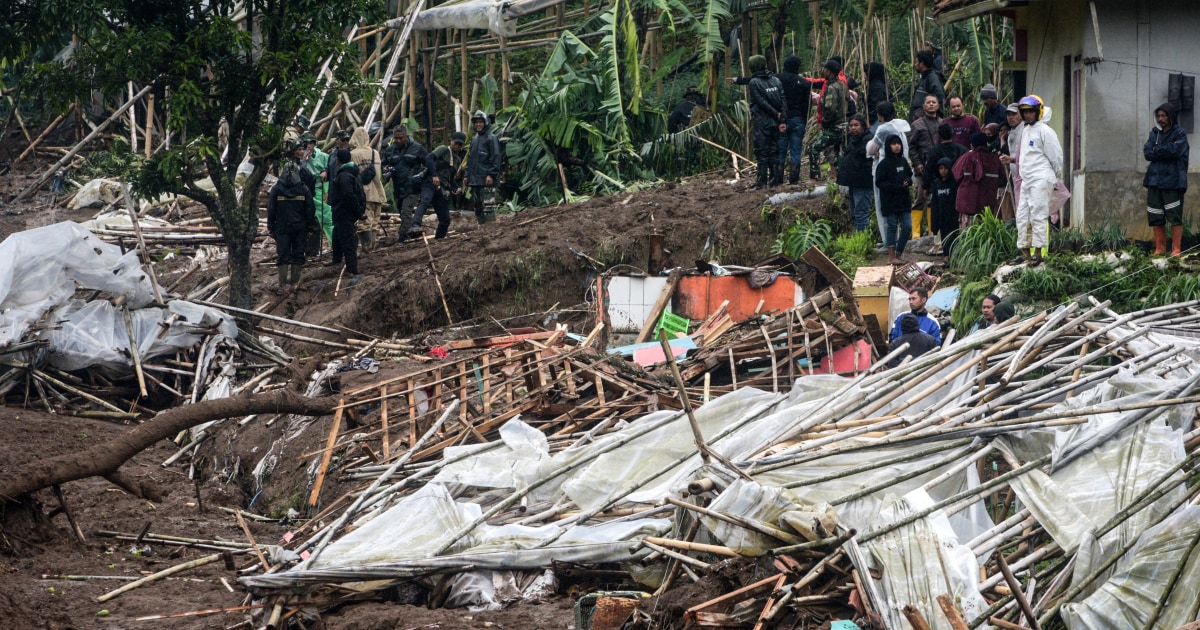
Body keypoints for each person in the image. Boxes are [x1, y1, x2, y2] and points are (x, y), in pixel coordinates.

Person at [1011, 95, 1063, 266]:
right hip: (1026, 180)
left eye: (1031, 112)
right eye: (1025, 112)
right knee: (1022, 216)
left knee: (1038, 215)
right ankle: (1025, 253)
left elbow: (1056, 157)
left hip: (1041, 178)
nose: (1028, 115)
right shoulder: (1026, 130)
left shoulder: (1045, 131)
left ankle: (1039, 253)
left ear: (1038, 112)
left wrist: (1055, 177)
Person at [267, 144, 317, 291]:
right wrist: (310, 227)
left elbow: (271, 209)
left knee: (283, 255)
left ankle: (282, 284)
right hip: (300, 228)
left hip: (282, 227)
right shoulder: (303, 189)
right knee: (298, 254)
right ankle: (294, 283)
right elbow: (310, 209)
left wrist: (271, 227)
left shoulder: (276, 189)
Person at [731, 55, 786, 189]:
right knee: (774, 150)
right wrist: (781, 117)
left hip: (762, 122)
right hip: (775, 121)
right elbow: (783, 100)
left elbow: (760, 102)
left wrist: (776, 114)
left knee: (762, 151)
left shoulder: (754, 82)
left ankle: (762, 182)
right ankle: (774, 180)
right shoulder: (775, 80)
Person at [1143, 102, 1190, 257]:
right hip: (1154, 180)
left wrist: (1157, 150)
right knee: (1155, 214)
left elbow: (1175, 151)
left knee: (1174, 215)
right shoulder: (1154, 134)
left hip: (1172, 181)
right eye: (1158, 116)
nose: (1160, 119)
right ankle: (1160, 248)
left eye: (1164, 116)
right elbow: (1147, 153)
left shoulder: (1180, 133)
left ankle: (1176, 249)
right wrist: (1163, 151)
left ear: (1171, 117)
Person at [866, 102, 910, 244]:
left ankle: (888, 241)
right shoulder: (900, 125)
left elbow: (871, 149)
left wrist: (874, 149)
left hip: (885, 170)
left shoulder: (883, 129)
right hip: (900, 169)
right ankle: (895, 240)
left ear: (880, 115)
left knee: (883, 206)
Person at [413, 132, 466, 240]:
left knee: (445, 218)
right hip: (430, 182)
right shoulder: (443, 149)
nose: (457, 146)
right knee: (425, 201)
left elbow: (450, 178)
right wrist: (434, 175)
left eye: (460, 145)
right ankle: (415, 225)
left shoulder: (457, 160)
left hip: (441, 188)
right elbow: (429, 158)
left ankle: (439, 240)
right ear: (451, 141)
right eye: (456, 143)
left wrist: (456, 188)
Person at [325, 148, 366, 286]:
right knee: (337, 235)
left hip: (344, 212)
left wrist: (358, 212)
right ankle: (336, 259)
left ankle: (352, 269)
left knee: (348, 240)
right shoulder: (353, 173)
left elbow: (349, 195)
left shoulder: (344, 176)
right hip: (343, 212)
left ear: (338, 160)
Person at [381, 125, 427, 243]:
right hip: (398, 187)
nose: (398, 140)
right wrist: (386, 169)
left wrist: (421, 175)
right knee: (402, 211)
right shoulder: (390, 150)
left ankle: (403, 237)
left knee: (406, 211)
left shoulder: (417, 148)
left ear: (406, 136)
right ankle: (411, 232)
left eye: (401, 138)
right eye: (396, 138)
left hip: (412, 187)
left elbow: (429, 163)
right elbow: (384, 164)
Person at [953, 132, 1005, 229]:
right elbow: (1003, 178)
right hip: (988, 206)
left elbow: (956, 175)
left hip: (967, 205)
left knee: (967, 232)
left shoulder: (966, 157)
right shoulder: (994, 159)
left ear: (972, 145)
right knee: (985, 231)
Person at [876, 134, 914, 265]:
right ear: (888, 146)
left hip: (903, 201)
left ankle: (899, 253)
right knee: (892, 226)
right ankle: (891, 257)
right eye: (894, 144)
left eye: (898, 143)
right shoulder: (883, 164)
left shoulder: (903, 161)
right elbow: (879, 182)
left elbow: (909, 175)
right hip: (890, 201)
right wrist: (895, 186)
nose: (897, 146)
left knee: (907, 226)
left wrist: (908, 182)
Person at [808, 59, 848, 181]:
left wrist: (825, 122)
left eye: (825, 69)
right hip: (844, 125)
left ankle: (815, 177)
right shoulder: (843, 85)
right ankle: (841, 177)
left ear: (829, 71)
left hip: (835, 127)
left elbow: (831, 109)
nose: (823, 71)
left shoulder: (831, 88)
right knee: (838, 151)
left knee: (814, 148)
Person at [907, 94, 941, 238]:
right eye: (928, 102)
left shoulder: (942, 123)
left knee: (935, 199)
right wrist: (917, 163)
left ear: (938, 105)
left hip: (938, 167)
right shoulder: (917, 125)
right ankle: (915, 232)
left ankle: (932, 230)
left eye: (934, 102)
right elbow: (912, 147)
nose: (931, 104)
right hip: (922, 167)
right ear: (924, 106)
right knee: (920, 197)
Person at [348, 126, 386, 253]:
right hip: (378, 191)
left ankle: (366, 247)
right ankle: (372, 246)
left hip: (364, 192)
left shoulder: (353, 154)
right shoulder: (375, 153)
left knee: (364, 222)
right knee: (375, 221)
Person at [778, 55, 811, 184]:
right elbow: (807, 105)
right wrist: (805, 120)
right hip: (798, 119)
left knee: (780, 149)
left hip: (782, 120)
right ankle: (794, 179)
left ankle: (778, 179)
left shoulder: (777, 79)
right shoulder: (804, 83)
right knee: (796, 150)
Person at [837, 114, 874, 233]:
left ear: (863, 126)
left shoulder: (868, 140)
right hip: (853, 182)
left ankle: (863, 239)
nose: (853, 128)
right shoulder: (853, 140)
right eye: (851, 125)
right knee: (854, 212)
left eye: (856, 125)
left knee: (861, 213)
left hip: (863, 182)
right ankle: (859, 237)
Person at [299, 132, 333, 258]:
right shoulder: (299, 160)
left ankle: (335, 244)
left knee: (327, 218)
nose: (309, 146)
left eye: (311, 143)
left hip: (321, 189)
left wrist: (327, 191)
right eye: (306, 144)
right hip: (305, 192)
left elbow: (330, 171)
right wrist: (303, 161)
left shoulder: (323, 156)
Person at [466, 110, 502, 224]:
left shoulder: (491, 138)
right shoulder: (474, 140)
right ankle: (481, 226)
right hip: (475, 180)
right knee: (477, 206)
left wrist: (491, 174)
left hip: (487, 179)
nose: (478, 124)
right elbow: (470, 159)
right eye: (476, 122)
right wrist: (467, 175)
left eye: (480, 122)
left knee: (489, 205)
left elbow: (495, 157)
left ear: (486, 123)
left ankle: (490, 227)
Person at [929, 157, 960, 261]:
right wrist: (934, 221)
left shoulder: (954, 182)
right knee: (944, 237)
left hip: (953, 215)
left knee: (953, 236)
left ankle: (952, 257)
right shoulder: (936, 183)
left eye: (945, 168)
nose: (943, 171)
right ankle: (946, 256)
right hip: (941, 215)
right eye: (941, 168)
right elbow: (934, 202)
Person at [910, 51, 946, 119]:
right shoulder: (925, 77)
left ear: (921, 63)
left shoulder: (932, 77)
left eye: (916, 62)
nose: (915, 64)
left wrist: (929, 114)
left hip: (928, 120)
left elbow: (939, 96)